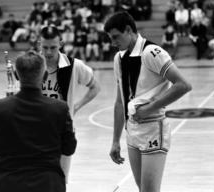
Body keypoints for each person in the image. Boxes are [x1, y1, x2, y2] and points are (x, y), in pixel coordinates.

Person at [104, 12, 192, 192]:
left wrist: (150, 108)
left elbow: (183, 85)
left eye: (116, 37)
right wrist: (115, 140)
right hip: (132, 130)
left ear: (129, 30)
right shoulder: (118, 58)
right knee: (142, 188)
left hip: (153, 128)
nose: (113, 43)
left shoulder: (151, 52)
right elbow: (120, 102)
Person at [0, 50, 77, 192]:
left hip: (8, 185)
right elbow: (69, 148)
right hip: (48, 185)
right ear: (45, 76)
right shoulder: (59, 109)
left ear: (16, 75)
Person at [38, 25, 100, 182]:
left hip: (62, 131)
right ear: (40, 44)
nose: (49, 52)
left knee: (60, 180)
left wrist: (77, 106)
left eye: (53, 47)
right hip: (35, 130)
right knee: (37, 180)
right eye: (45, 47)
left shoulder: (74, 65)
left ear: (60, 43)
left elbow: (95, 87)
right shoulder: (33, 64)